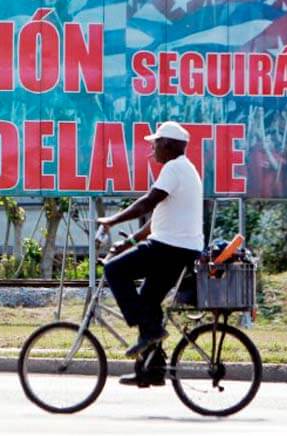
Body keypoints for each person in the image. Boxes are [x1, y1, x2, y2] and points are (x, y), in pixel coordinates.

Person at [96, 121, 203, 387]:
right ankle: (152, 370)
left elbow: (147, 202)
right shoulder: (185, 170)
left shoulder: (174, 168)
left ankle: (149, 331)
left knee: (114, 270)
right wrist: (128, 242)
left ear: (167, 144)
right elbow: (155, 219)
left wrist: (112, 220)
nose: (151, 149)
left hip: (168, 248)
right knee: (148, 299)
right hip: (180, 250)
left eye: (155, 143)